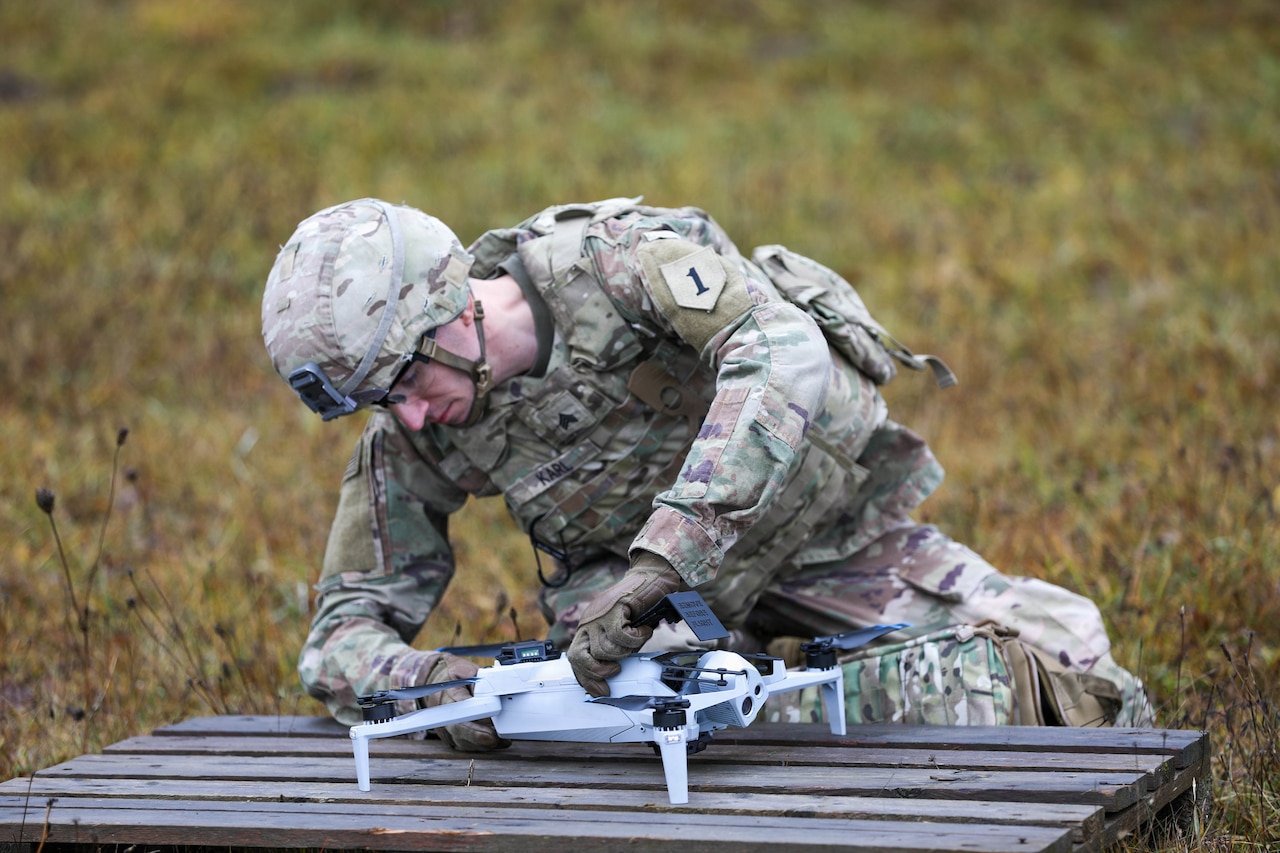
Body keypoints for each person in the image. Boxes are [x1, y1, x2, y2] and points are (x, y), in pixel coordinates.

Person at [261, 196, 1153, 748]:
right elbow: (342, 633)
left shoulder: (616, 266)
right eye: (380, 402)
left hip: (817, 538)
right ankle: (759, 705)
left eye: (409, 381)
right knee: (675, 732)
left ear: (452, 307)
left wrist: (665, 557)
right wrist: (435, 689)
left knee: (1074, 672)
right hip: (640, 640)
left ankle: (783, 702)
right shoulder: (416, 423)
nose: (407, 417)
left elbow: (782, 347)